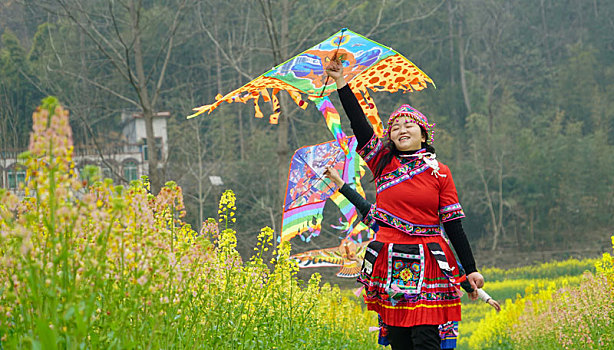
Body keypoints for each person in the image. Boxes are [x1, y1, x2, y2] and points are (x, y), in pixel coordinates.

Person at [324, 59, 484, 350]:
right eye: (395, 127)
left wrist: (470, 268)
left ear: (424, 134)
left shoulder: (440, 172)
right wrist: (341, 83)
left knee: (425, 338)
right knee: (399, 340)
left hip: (429, 260)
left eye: (409, 125)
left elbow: (453, 225)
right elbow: (359, 125)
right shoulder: (381, 163)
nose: (401, 130)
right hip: (390, 258)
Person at [324, 167, 500, 349]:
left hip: (428, 302)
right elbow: (362, 204)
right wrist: (338, 182)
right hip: (400, 300)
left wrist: (484, 297)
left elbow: (455, 270)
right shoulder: (388, 225)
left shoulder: (433, 238)